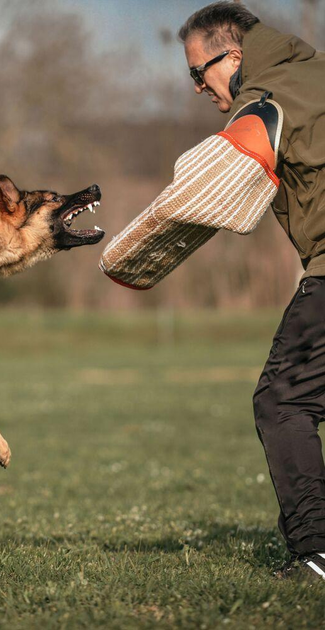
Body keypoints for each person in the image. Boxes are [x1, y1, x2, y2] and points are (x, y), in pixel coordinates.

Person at [177, 1, 325, 579]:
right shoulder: (312, 73)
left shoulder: (263, 100)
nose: (196, 87)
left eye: (198, 72)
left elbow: (215, 183)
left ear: (232, 56)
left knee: (283, 400)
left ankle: (316, 553)